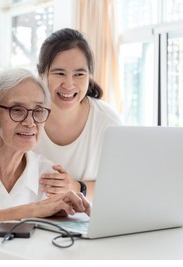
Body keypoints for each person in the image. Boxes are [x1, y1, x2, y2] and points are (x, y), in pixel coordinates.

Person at [0, 68, 91, 226]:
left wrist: (78, 216)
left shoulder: (49, 175)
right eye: (17, 110)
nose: (30, 122)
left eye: (38, 111)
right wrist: (32, 211)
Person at [34, 28, 122, 201]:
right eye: (59, 73)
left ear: (89, 75)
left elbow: (120, 186)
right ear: (41, 73)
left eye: (79, 74)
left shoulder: (107, 122)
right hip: (31, 220)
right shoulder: (24, 117)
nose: (69, 84)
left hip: (87, 222)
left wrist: (76, 187)